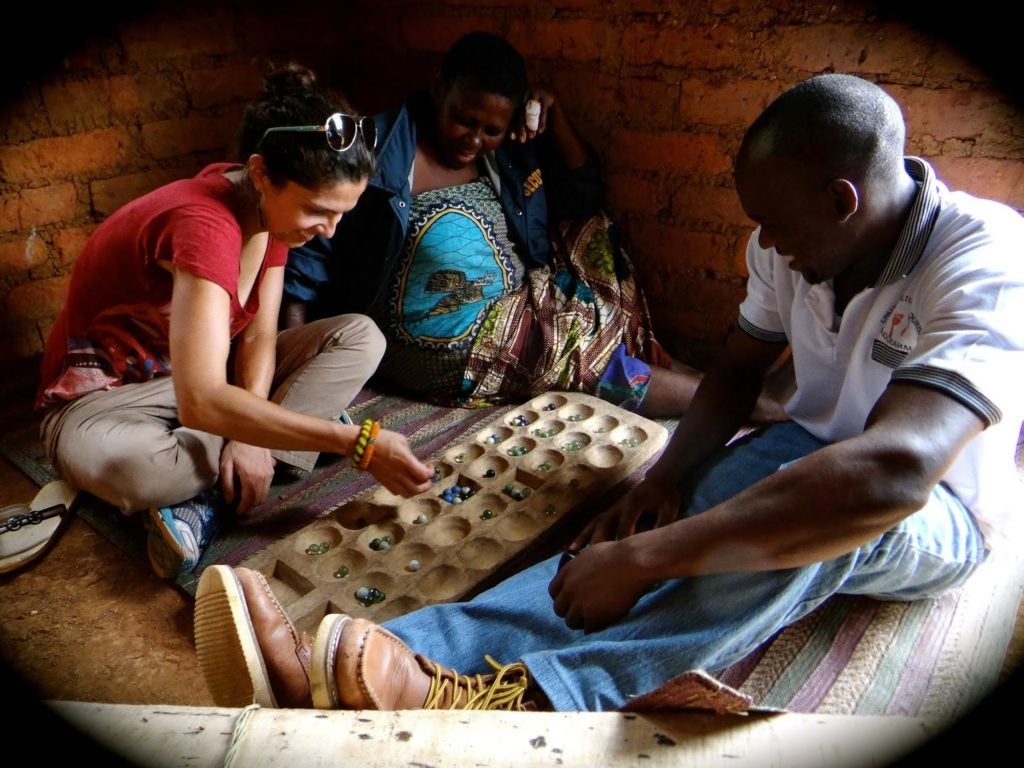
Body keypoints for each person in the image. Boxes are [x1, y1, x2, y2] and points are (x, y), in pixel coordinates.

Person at [192, 73, 1024, 713]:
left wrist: (649, 559)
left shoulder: (983, 262)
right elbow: (736, 372)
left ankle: (534, 697)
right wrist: (664, 486)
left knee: (821, 523)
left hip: (939, 514)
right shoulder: (795, 234)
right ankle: (401, 656)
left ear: (843, 203)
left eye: (778, 230)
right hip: (809, 449)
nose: (764, 247)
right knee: (667, 507)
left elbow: (893, 474)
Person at [35, 63, 434, 581]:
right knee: (134, 470)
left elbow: (261, 336)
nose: (329, 232)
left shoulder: (268, 214)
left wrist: (252, 436)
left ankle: (238, 464)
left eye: (342, 214)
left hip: (196, 378)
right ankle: (254, 464)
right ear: (262, 174)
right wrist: (354, 443)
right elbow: (201, 398)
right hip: (105, 401)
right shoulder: (205, 224)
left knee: (360, 336)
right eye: (318, 211)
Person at [280, 31, 790, 420]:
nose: (474, 139)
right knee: (576, 354)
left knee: (591, 244)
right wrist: (297, 368)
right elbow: (305, 261)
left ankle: (709, 385)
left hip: (515, 303)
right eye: (465, 120)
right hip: (435, 340)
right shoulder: (379, 150)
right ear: (439, 89)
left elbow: (584, 192)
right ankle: (736, 404)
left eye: (491, 130)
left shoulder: (512, 155)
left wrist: (556, 113)